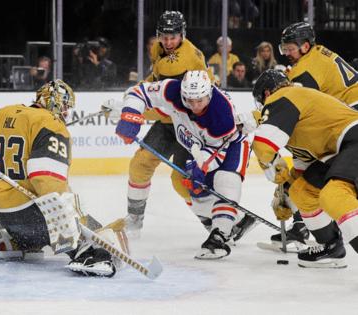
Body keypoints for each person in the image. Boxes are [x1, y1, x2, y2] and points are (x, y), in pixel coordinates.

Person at [0, 80, 124, 277]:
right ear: (55, 103)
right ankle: (94, 255)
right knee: (84, 219)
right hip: (36, 218)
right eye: (65, 107)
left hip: (5, 214)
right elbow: (46, 178)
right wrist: (68, 214)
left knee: (28, 237)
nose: (66, 113)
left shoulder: (4, 114)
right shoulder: (51, 124)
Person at [111, 10, 253, 241]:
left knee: (183, 181)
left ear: (182, 35)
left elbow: (169, 102)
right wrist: (129, 103)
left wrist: (136, 112)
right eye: (164, 37)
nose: (168, 42)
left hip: (193, 122)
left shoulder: (183, 60)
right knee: (140, 164)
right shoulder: (160, 50)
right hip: (172, 120)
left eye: (173, 37)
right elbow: (154, 86)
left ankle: (230, 222)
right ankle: (134, 221)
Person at [115, 70, 251, 259]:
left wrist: (200, 168)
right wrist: (130, 113)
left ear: (209, 94)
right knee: (193, 191)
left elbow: (216, 153)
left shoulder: (221, 114)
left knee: (224, 182)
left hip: (228, 147)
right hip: (196, 144)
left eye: (200, 100)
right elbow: (140, 92)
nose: (194, 106)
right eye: (189, 100)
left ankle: (220, 237)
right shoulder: (173, 90)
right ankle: (238, 222)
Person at [264, 21, 358, 247]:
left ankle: (303, 225)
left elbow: (296, 111)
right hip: (347, 116)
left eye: (290, 48)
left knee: (321, 178)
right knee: (311, 179)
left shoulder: (305, 70)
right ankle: (306, 224)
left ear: (305, 46)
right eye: (283, 48)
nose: (286, 53)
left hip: (351, 119)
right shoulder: (318, 56)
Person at [252, 69, 358, 268]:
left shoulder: (284, 96)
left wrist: (270, 163)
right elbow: (303, 170)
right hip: (339, 152)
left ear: (266, 94)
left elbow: (263, 146)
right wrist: (285, 197)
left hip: (353, 139)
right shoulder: (299, 118)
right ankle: (331, 247)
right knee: (303, 191)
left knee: (334, 194)